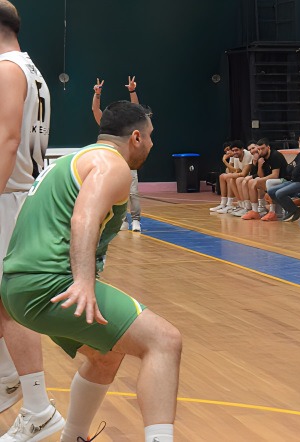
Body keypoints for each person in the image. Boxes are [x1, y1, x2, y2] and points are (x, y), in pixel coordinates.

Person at [1, 101, 182, 441]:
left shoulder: (73, 160)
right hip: (49, 284)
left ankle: (73, 436)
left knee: (104, 356)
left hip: (16, 288)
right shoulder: (112, 165)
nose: (152, 144)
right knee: (164, 341)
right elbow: (83, 218)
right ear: (137, 137)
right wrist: (84, 282)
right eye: (151, 136)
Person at [0, 2, 64, 440]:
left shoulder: (7, 69)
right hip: (21, 194)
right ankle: (9, 380)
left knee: (11, 304)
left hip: (8, 196)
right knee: (5, 301)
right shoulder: (32, 70)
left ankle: (38, 409)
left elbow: (6, 140)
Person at [92, 76, 142, 232]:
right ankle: (122, 220)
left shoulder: (129, 124)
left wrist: (132, 91)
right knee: (115, 193)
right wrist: (97, 94)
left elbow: (137, 108)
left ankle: (136, 220)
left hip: (129, 161)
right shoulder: (107, 125)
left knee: (133, 192)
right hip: (112, 162)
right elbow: (95, 110)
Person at [268, 134, 300, 222]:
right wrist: (295, 169)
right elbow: (288, 168)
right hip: (295, 181)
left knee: (279, 193)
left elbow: (296, 172)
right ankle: (294, 210)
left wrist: (295, 169)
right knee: (271, 191)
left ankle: (293, 210)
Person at [242, 138, 289, 220]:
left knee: (266, 182)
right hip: (273, 180)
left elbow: (275, 175)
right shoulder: (262, 157)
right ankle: (255, 211)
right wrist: (259, 165)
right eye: (259, 149)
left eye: (262, 148)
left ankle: (272, 211)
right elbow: (261, 175)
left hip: (284, 180)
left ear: (268, 147)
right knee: (251, 182)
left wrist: (259, 180)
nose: (260, 151)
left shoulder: (275, 155)